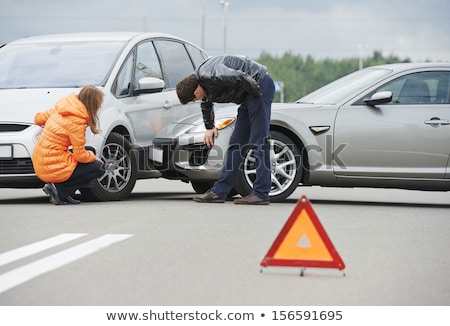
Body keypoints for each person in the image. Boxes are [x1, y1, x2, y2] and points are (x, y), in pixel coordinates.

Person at [176, 55, 275, 205]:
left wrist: (257, 95)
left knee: (259, 141)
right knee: (236, 144)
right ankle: (219, 192)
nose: (197, 100)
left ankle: (261, 193)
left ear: (195, 92)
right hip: (249, 96)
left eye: (193, 99)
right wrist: (210, 127)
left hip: (258, 88)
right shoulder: (201, 82)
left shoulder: (213, 75)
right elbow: (206, 103)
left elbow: (239, 76)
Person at [32, 85, 105, 205]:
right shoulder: (77, 122)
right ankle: (60, 191)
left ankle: (65, 193)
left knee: (90, 150)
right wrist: (94, 158)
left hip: (40, 159)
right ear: (92, 104)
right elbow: (80, 155)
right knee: (99, 167)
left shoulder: (62, 108)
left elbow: (38, 119)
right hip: (51, 166)